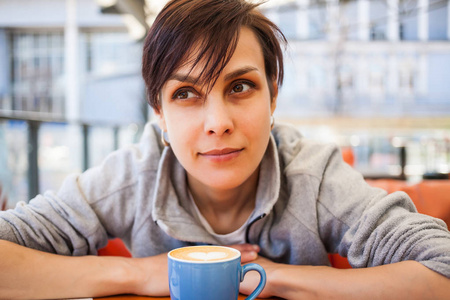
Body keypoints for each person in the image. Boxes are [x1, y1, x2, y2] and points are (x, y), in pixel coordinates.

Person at [1, 0, 449, 298]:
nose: (218, 123)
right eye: (185, 94)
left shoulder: (314, 177)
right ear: (159, 112)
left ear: (273, 97)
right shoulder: (131, 177)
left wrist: (273, 277)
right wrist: (140, 273)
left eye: (240, 86)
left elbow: (441, 267)